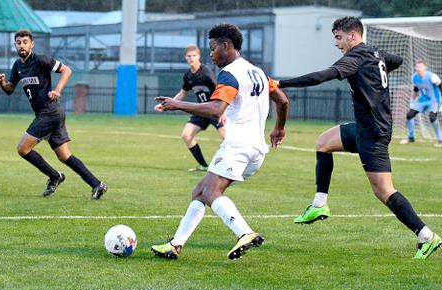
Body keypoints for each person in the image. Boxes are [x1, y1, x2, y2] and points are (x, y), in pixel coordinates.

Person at [278, 16, 441, 259]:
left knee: (384, 191)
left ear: (353, 36)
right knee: (323, 142)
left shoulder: (354, 58)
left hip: (372, 133)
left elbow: (321, 76)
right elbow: (397, 60)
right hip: (366, 127)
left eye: (338, 37)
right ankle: (319, 205)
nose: (336, 43)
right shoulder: (375, 54)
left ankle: (427, 237)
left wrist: (281, 82)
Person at [151, 23, 289, 260]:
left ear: (226, 46)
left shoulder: (230, 73)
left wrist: (177, 104)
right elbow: (283, 100)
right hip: (257, 150)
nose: (211, 54)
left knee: (212, 191)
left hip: (238, 146)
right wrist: (278, 128)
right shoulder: (257, 72)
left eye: (213, 48)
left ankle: (244, 232)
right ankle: (175, 245)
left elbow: (217, 109)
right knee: (199, 191)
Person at [0, 29, 107, 200]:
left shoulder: (40, 60)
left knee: (22, 148)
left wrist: (57, 90)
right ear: (15, 45)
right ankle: (97, 184)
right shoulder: (18, 66)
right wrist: (2, 83)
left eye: (25, 42)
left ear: (32, 44)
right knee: (64, 156)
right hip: (47, 113)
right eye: (18, 42)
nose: (22, 45)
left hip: (50, 111)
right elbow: (10, 89)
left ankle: (55, 176)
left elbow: (66, 70)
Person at [173, 44, 226, 172]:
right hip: (201, 110)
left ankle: (235, 166)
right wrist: (169, 103)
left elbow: (220, 91)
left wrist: (223, 112)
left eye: (194, 55)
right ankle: (203, 165)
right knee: (186, 135)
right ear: (185, 58)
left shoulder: (206, 73)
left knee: (227, 138)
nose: (191, 58)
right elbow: (182, 93)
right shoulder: (188, 76)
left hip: (214, 109)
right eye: (189, 56)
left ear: (199, 56)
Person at [400, 59, 442, 147]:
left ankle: (440, 139)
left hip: (434, 99)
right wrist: (412, 100)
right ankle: (411, 138)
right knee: (409, 115)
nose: (419, 68)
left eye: (421, 66)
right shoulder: (414, 77)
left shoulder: (432, 76)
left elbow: (440, 88)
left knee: (432, 117)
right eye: (417, 66)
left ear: (425, 68)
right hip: (422, 99)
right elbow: (416, 89)